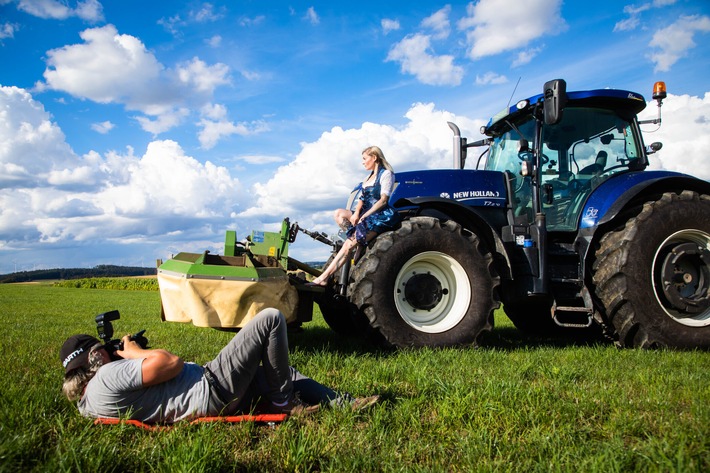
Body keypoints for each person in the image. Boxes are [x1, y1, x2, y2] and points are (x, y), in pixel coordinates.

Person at [61, 308, 379, 424]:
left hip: (206, 393)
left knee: (282, 372)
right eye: (104, 350)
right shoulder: (105, 375)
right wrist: (131, 351)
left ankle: (344, 404)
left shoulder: (88, 403)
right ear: (94, 358)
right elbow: (169, 363)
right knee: (269, 319)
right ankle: (284, 401)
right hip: (210, 387)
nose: (109, 351)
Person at [310, 146, 401, 286]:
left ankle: (324, 278)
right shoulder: (368, 177)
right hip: (365, 213)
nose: (363, 162)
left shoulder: (386, 174)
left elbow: (383, 200)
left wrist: (365, 216)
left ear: (374, 157)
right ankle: (357, 241)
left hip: (378, 214)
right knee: (339, 213)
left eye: (365, 159)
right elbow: (362, 199)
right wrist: (357, 213)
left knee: (347, 245)